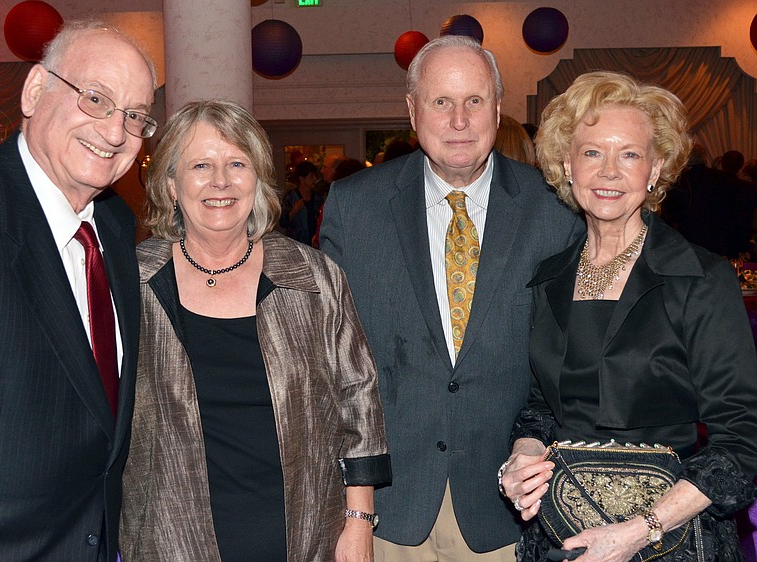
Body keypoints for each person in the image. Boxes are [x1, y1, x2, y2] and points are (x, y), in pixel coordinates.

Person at [321, 35, 583, 561]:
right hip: (384, 509)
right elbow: (333, 366)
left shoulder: (554, 212)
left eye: (474, 101)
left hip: (505, 507)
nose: (459, 121)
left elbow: (569, 363)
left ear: (498, 107)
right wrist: (354, 509)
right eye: (441, 102)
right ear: (412, 111)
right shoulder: (356, 208)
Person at [0, 19, 156, 560]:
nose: (115, 133)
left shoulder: (112, 229)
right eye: (95, 99)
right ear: (36, 91)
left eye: (135, 117)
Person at [500, 71, 757, 562]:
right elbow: (541, 404)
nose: (610, 172)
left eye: (630, 154)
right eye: (593, 152)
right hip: (560, 532)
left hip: (670, 539)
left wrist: (641, 531)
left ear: (655, 169)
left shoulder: (700, 279)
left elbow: (741, 440)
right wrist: (524, 453)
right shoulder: (548, 278)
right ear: (566, 165)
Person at [119, 100, 391, 562]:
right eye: (200, 165)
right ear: (170, 183)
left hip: (304, 535)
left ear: (259, 179)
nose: (220, 181)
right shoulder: (131, 283)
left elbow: (359, 400)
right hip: (169, 539)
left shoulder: (314, 278)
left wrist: (359, 522)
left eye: (237, 163)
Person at [281, 160, 324, 245]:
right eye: (311, 176)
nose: (315, 179)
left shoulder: (318, 198)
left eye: (315, 176)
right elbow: (282, 222)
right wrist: (293, 212)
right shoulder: (291, 197)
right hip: (296, 245)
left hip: (315, 245)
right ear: (302, 179)